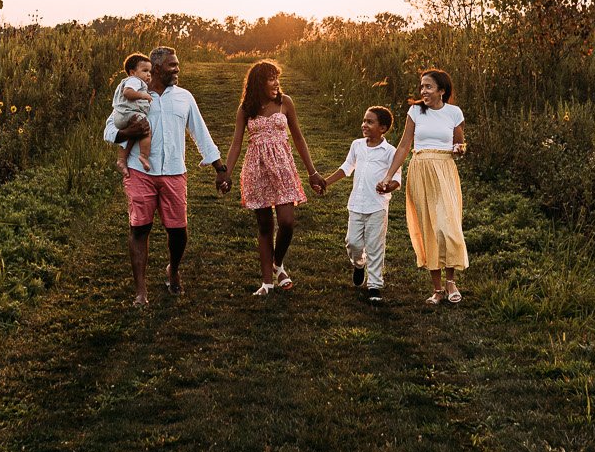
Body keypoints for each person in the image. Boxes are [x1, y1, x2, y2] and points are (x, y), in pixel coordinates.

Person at [103, 46, 228, 306]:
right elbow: (109, 130)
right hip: (140, 171)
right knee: (139, 228)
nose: (177, 69)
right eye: (172, 65)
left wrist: (219, 168)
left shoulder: (184, 97)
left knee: (179, 231)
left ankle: (173, 269)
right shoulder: (136, 95)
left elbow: (200, 132)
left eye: (177, 64)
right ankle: (141, 292)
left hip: (173, 171)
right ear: (156, 68)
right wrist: (127, 133)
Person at [224, 59, 322, 296]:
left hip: (283, 168)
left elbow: (298, 137)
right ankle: (267, 282)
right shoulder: (246, 109)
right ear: (259, 82)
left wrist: (312, 172)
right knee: (265, 225)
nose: (277, 82)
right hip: (257, 169)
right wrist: (225, 173)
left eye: (277, 77)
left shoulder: (285, 103)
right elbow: (236, 143)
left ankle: (278, 263)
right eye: (271, 78)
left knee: (287, 222)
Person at [381, 68, 468, 305]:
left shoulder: (454, 113)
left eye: (428, 87)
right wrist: (389, 175)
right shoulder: (415, 111)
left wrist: (460, 150)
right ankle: (438, 289)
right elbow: (403, 147)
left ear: (442, 90)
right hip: (420, 169)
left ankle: (451, 281)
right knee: (429, 227)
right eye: (422, 87)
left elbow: (459, 145)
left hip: (445, 170)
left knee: (448, 227)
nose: (423, 91)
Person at [314, 105, 397, 303]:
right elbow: (346, 167)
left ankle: (375, 285)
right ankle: (359, 264)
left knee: (375, 245)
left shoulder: (390, 152)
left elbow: (397, 179)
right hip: (356, 204)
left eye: (370, 122)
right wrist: (326, 181)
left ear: (383, 128)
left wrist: (388, 187)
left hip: (377, 205)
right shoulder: (357, 145)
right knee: (353, 242)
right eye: (364, 120)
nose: (364, 125)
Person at [105, 53, 155, 177]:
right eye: (145, 71)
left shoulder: (134, 81)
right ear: (132, 72)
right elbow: (127, 93)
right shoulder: (134, 81)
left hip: (121, 116)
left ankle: (122, 160)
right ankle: (143, 156)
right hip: (129, 113)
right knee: (145, 130)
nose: (149, 74)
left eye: (150, 71)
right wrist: (144, 95)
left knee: (133, 133)